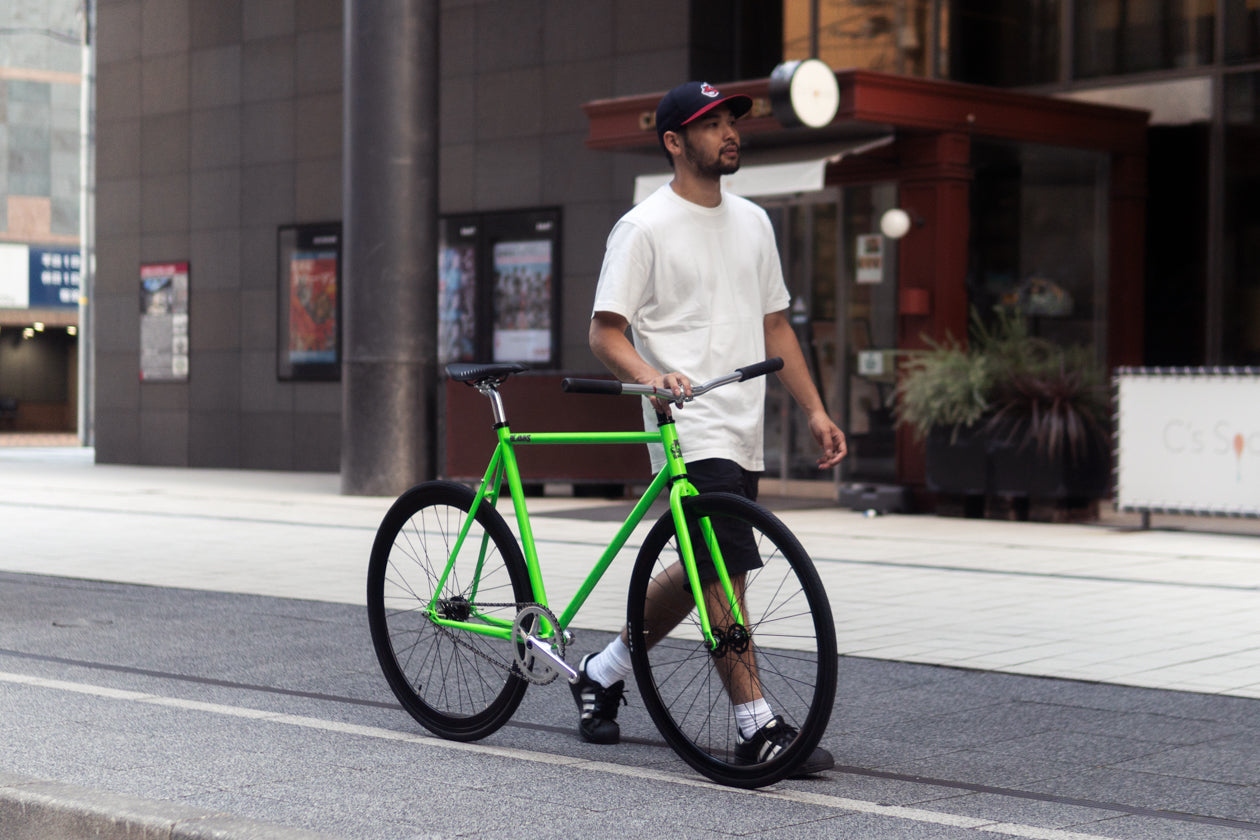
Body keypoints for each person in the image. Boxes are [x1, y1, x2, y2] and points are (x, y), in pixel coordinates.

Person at [571, 80, 848, 771]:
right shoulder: (644, 226)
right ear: (673, 142)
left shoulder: (754, 222)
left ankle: (602, 671)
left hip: (742, 423)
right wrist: (653, 376)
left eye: (732, 121)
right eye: (712, 124)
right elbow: (606, 333)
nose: (730, 133)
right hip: (686, 426)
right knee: (724, 570)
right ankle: (756, 724)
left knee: (706, 573)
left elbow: (775, 324)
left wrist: (814, 409)